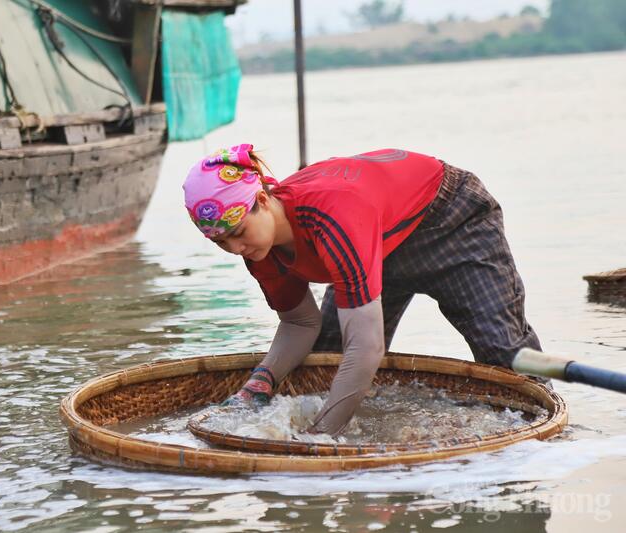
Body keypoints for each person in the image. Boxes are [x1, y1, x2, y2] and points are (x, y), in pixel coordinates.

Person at [182, 143, 541, 435]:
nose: (235, 249)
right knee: (325, 362)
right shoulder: (259, 251)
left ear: (261, 201)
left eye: (239, 234)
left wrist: (320, 438)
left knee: (506, 358)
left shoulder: (330, 218)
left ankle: (544, 443)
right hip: (375, 241)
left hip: (449, 219)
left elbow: (367, 348)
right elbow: (299, 323)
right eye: (221, 243)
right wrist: (260, 382)